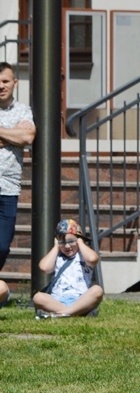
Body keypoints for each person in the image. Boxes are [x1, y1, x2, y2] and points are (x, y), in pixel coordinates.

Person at [0, 61, 36, 272]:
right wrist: (12, 134)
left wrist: (16, 136)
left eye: (5, 81)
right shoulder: (19, 118)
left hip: (9, 188)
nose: (1, 86)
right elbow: (19, 136)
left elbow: (27, 136)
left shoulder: (23, 111)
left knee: (3, 245)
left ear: (15, 83)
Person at [32, 219, 103, 318]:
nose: (67, 246)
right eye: (62, 242)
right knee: (38, 297)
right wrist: (56, 247)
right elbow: (44, 267)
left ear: (79, 240)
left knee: (97, 290)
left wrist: (81, 243)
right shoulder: (56, 256)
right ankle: (74, 313)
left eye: (71, 241)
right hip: (57, 300)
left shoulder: (84, 256)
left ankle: (60, 314)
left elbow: (93, 259)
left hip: (80, 299)